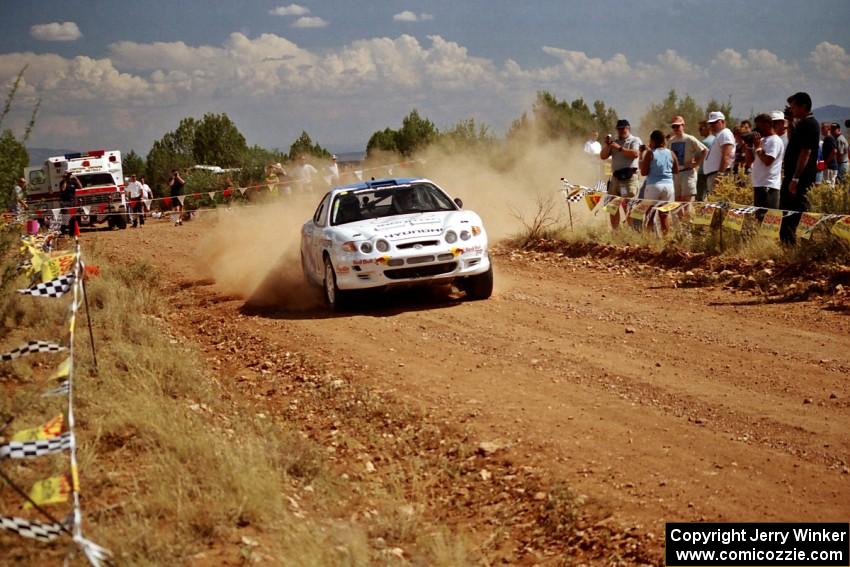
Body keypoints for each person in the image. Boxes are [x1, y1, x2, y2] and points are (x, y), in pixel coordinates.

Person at [779, 92, 820, 244]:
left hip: (801, 178)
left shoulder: (811, 124)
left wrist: (795, 178)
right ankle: (787, 243)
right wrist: (790, 122)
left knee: (799, 210)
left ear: (803, 106)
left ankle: (802, 244)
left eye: (794, 106)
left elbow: (805, 152)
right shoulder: (800, 123)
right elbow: (792, 140)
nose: (791, 109)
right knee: (786, 209)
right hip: (791, 175)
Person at [600, 119, 642, 229]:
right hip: (615, 178)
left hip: (629, 178)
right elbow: (603, 156)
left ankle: (633, 232)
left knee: (628, 206)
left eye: (623, 128)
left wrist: (618, 148)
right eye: (619, 129)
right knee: (612, 206)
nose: (621, 131)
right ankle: (615, 232)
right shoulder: (614, 142)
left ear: (628, 128)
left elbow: (635, 154)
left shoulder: (634, 140)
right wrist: (608, 145)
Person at [744, 114, 784, 221]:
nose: (757, 129)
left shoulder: (774, 140)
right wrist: (748, 146)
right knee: (759, 219)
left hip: (769, 186)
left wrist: (758, 148)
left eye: (759, 126)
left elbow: (768, 161)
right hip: (759, 184)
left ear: (767, 125)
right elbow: (749, 162)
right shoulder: (761, 140)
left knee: (768, 221)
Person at [639, 129, 678, 234]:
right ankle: (666, 240)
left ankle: (647, 239)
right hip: (669, 187)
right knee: (664, 215)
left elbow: (643, 172)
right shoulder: (671, 153)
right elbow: (676, 170)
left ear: (653, 141)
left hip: (653, 186)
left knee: (649, 215)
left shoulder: (650, 153)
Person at [669, 116, 707, 202]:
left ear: (683, 125)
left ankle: (688, 215)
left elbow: (704, 150)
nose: (675, 128)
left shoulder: (689, 138)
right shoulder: (671, 141)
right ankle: (679, 216)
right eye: (673, 126)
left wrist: (696, 164)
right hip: (675, 174)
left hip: (687, 173)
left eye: (677, 126)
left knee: (687, 202)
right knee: (676, 202)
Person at [702, 111, 735, 196]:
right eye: (711, 123)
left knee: (718, 202)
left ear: (723, 122)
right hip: (713, 174)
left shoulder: (725, 133)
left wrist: (720, 176)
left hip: (718, 174)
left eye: (715, 122)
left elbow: (726, 156)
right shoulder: (719, 135)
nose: (712, 125)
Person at [696, 120, 715, 201]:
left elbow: (696, 157)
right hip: (712, 171)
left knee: (700, 198)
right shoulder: (716, 139)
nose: (699, 130)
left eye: (701, 129)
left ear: (708, 129)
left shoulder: (704, 142)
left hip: (702, 172)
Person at [820, 122, 838, 186]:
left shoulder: (829, 138)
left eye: (822, 128)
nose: (821, 130)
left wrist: (826, 163)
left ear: (828, 128)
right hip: (829, 167)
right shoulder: (827, 138)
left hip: (830, 167)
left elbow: (834, 151)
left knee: (829, 186)